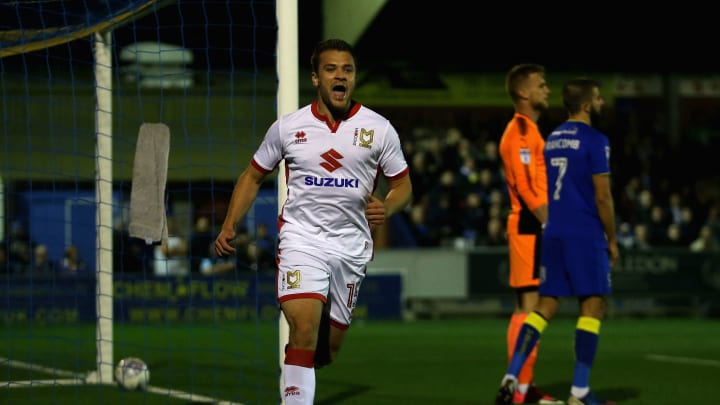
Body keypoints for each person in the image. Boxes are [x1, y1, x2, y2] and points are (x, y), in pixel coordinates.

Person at [214, 38, 412, 405]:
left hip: (350, 249)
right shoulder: (289, 128)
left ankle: (299, 369)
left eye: (347, 70)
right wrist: (229, 225)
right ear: (316, 79)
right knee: (304, 329)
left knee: (327, 352)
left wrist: (388, 206)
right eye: (331, 69)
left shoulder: (379, 129)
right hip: (301, 240)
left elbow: (403, 185)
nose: (341, 76)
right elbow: (253, 175)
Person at [495, 78, 619, 405]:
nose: (603, 103)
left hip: (553, 232)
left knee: (543, 307)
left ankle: (513, 375)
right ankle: (580, 391)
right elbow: (603, 197)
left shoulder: (551, 139)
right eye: (600, 98)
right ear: (589, 104)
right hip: (584, 231)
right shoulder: (595, 140)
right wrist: (613, 238)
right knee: (593, 305)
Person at [496, 63, 560, 404]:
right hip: (529, 227)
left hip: (531, 227)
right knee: (530, 308)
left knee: (528, 307)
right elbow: (526, 188)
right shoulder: (520, 132)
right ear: (523, 92)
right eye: (541, 84)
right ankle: (522, 390)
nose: (547, 90)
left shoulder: (530, 131)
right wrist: (552, 224)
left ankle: (523, 386)